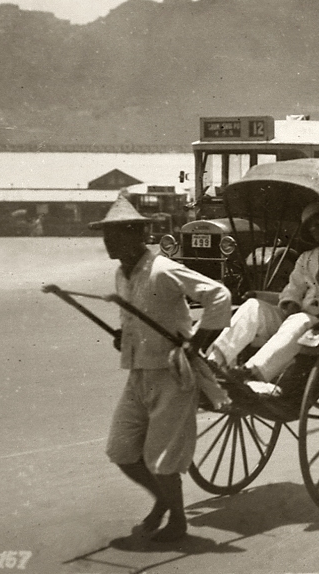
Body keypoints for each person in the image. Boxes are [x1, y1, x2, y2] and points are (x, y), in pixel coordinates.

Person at [94, 196, 231, 542]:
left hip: (172, 375)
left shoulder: (163, 270)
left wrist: (197, 342)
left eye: (116, 234)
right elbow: (131, 320)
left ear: (137, 234)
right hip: (138, 374)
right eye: (106, 235)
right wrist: (123, 337)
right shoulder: (121, 274)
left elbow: (219, 295)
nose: (108, 241)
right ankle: (162, 504)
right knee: (122, 450)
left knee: (162, 458)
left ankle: (177, 520)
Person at [208, 202, 319, 385]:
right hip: (297, 316)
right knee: (253, 307)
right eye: (311, 227)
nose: (317, 230)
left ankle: (252, 373)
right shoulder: (307, 257)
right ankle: (215, 361)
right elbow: (293, 289)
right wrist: (291, 302)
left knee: (299, 321)